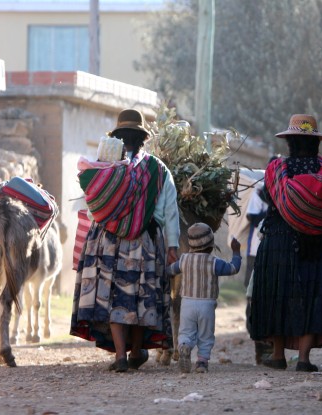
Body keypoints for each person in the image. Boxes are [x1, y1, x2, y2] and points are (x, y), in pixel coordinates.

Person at [70, 108, 180, 373]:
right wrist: (173, 246)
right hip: (146, 242)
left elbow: (92, 202)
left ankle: (120, 356)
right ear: (143, 138)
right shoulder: (157, 168)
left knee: (113, 298)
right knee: (140, 296)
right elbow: (170, 210)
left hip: (107, 240)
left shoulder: (104, 166)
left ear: (118, 138)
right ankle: (137, 350)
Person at [249, 114, 322, 372]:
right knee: (312, 296)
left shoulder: (276, 170)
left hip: (279, 242)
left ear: (290, 142)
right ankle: (305, 359)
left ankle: (277, 355)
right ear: (316, 143)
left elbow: (268, 200)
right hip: (317, 244)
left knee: (279, 294)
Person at [166, 223, 241, 373]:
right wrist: (236, 252)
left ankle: (185, 347)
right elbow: (233, 268)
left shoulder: (184, 260)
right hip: (206, 304)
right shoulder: (214, 262)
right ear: (211, 245)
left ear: (190, 244)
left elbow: (170, 270)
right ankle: (201, 363)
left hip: (187, 303)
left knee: (186, 332)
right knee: (205, 335)